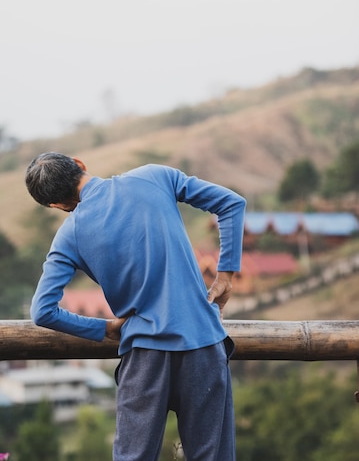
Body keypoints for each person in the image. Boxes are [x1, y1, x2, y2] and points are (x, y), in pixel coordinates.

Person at [25, 152, 246, 461]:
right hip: (203, 344)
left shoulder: (69, 234)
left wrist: (105, 329)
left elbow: (43, 311)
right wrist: (225, 275)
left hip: (144, 355)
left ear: (57, 205)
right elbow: (232, 203)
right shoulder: (154, 176)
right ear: (79, 163)